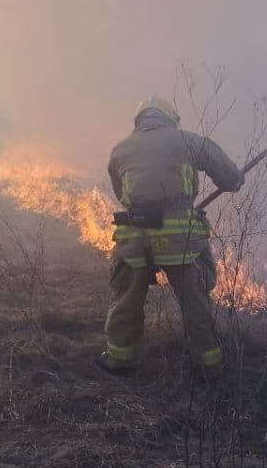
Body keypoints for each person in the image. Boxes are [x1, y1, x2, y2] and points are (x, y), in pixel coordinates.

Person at [96, 96, 244, 376]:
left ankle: (120, 359)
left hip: (135, 239)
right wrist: (235, 179)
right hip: (181, 242)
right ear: (170, 118)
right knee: (195, 303)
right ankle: (210, 365)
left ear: (139, 121)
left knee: (126, 301)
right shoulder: (189, 140)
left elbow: (123, 195)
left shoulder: (120, 150)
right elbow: (228, 177)